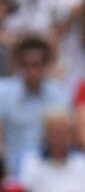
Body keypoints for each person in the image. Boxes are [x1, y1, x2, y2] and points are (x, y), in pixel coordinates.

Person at [0, 36, 67, 176]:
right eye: (25, 65)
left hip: (48, 169)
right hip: (10, 170)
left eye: (36, 65)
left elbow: (63, 140)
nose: (31, 71)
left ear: (45, 66)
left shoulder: (59, 96)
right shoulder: (3, 93)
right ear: (18, 65)